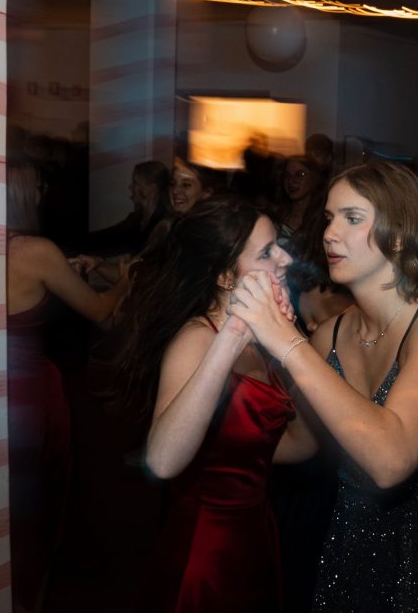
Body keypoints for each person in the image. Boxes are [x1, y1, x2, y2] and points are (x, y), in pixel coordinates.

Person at [229, 161, 418, 612]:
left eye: (352, 218)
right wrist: (219, 411)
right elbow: (299, 441)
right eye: (329, 218)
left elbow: (390, 461)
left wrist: (287, 343)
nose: (329, 233)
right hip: (351, 549)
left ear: (398, 235)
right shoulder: (330, 336)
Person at [121, 197, 315, 612]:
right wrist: (234, 333)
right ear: (227, 276)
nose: (285, 258)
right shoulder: (198, 339)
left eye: (279, 246)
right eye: (267, 252)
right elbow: (162, 462)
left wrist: (289, 347)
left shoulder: (263, 341)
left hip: (254, 537)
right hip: (206, 551)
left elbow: (299, 445)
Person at [6, 158, 130, 612]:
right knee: (35, 509)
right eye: (37, 186)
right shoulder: (34, 250)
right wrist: (125, 281)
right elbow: (100, 312)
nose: (42, 194)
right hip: (29, 394)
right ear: (23, 193)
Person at [82, 160, 170, 257]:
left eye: (135, 182)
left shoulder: (164, 224)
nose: (130, 187)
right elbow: (106, 237)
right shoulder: (135, 219)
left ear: (151, 188)